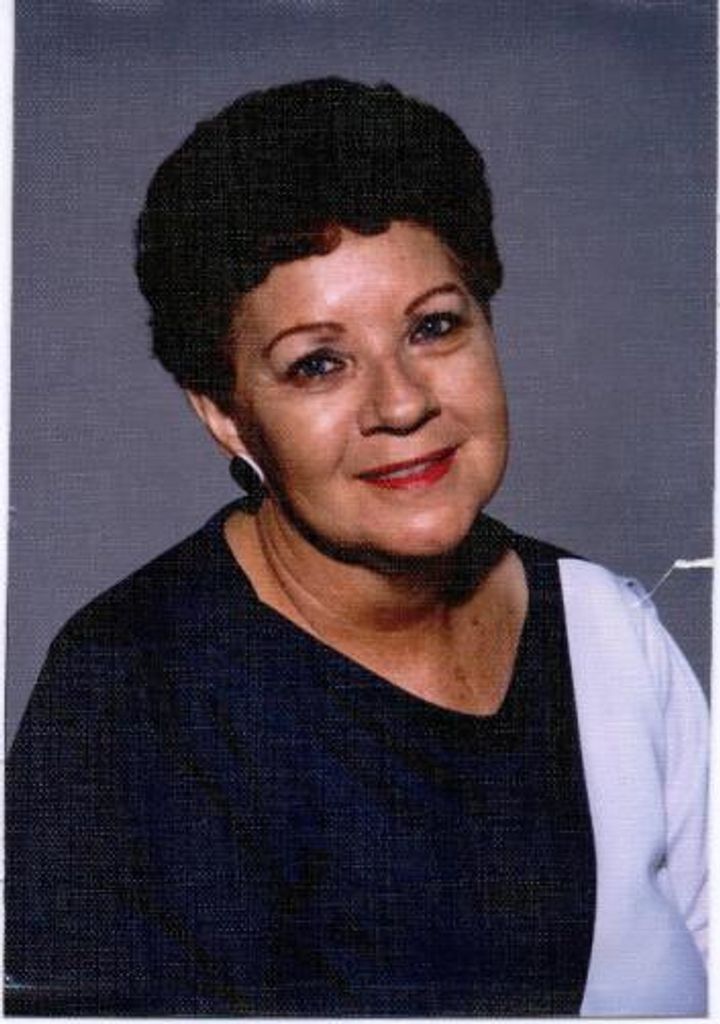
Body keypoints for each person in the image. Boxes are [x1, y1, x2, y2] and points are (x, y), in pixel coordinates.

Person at [5, 78, 707, 1017]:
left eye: (434, 326)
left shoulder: (609, 631)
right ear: (226, 416)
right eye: (318, 364)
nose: (402, 403)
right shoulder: (131, 691)